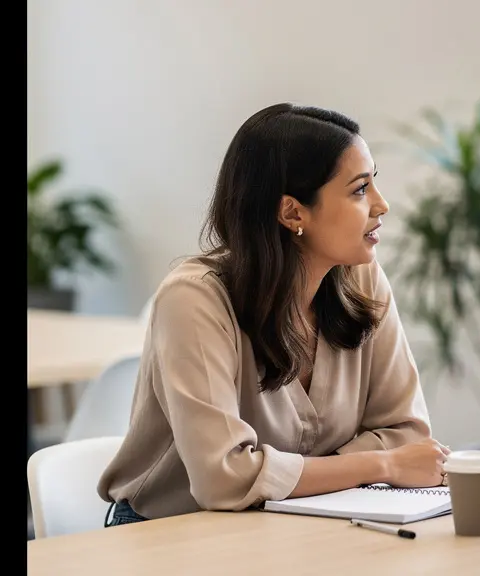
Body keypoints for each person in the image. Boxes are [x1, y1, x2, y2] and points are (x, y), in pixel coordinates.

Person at [97, 103, 449, 526]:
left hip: (301, 520)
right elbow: (222, 479)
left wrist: (286, 476)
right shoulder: (193, 300)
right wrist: (382, 465)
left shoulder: (362, 279)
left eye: (375, 183)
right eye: (359, 189)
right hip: (170, 532)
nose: (381, 204)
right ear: (292, 212)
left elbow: (407, 432)